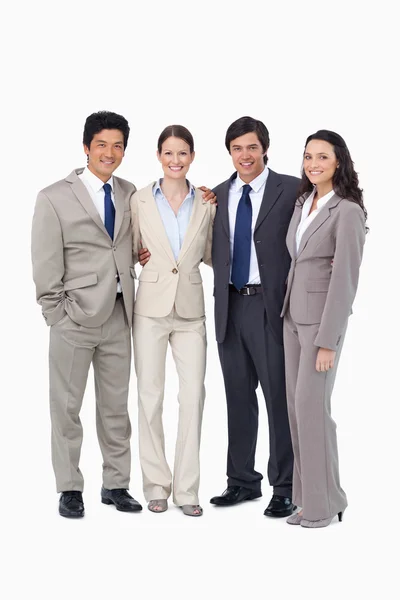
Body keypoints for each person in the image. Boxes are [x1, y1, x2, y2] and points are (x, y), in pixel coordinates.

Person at [31, 111, 144, 517]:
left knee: (116, 408)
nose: (109, 153)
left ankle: (116, 484)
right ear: (86, 147)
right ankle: (69, 487)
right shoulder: (54, 196)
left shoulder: (131, 193)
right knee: (66, 407)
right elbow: (45, 263)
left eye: (117, 145)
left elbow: (127, 246)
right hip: (73, 318)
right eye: (102, 144)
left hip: (119, 315)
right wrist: (57, 314)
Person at [209, 116, 299, 517]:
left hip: (271, 306)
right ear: (229, 152)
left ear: (264, 148)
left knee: (279, 398)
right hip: (230, 305)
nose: (244, 155)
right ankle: (242, 482)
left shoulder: (293, 190)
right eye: (236, 148)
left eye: (251, 147)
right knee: (237, 398)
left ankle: (286, 485)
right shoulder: (215, 195)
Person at [282, 130, 367, 528]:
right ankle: (308, 499)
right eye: (308, 156)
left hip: (320, 324)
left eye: (322, 157)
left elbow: (345, 278)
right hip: (291, 319)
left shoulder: (347, 210)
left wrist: (329, 341)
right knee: (297, 413)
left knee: (312, 410)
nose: (313, 164)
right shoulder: (305, 202)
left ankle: (324, 504)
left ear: (338, 162)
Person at [130, 125, 215, 517]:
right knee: (150, 397)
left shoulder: (208, 203)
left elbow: (215, 254)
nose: (175, 160)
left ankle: (187, 489)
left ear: (192, 156)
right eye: (168, 153)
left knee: (193, 397)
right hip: (149, 308)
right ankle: (156, 486)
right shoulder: (139, 200)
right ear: (159, 156)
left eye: (183, 153)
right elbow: (129, 248)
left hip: (191, 310)